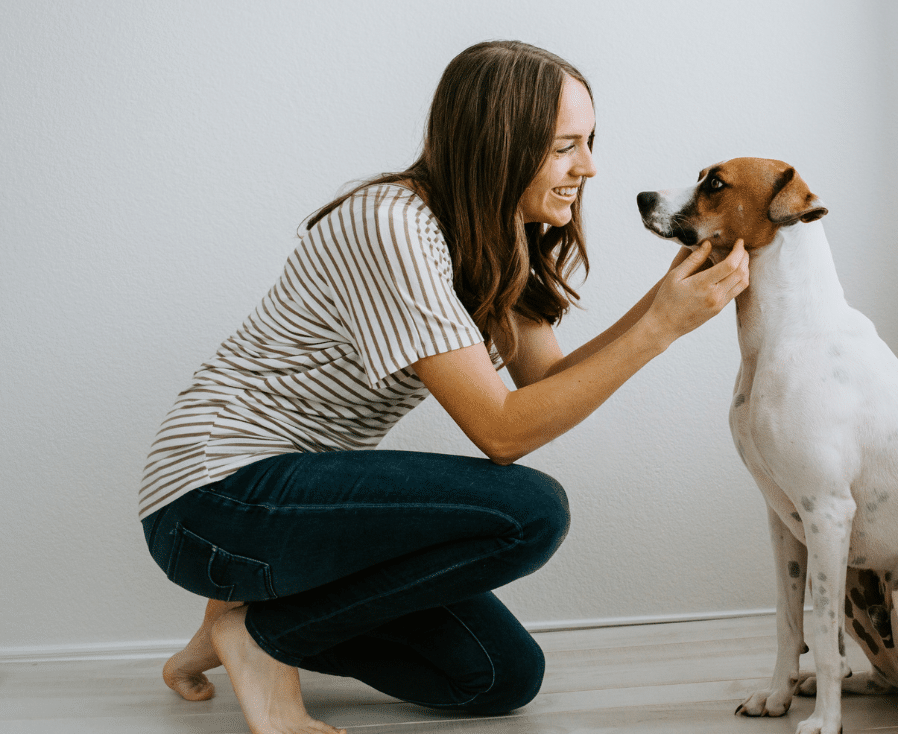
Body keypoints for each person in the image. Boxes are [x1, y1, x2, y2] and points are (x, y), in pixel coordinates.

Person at [139, 40, 749, 734]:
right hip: (212, 497)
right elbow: (504, 430)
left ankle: (243, 619)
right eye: (563, 147)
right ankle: (258, 639)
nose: (588, 166)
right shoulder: (391, 225)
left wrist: (666, 301)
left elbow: (548, 381)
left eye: (589, 142)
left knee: (499, 676)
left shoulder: (495, 238)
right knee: (530, 510)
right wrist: (661, 329)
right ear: (499, 145)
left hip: (288, 506)